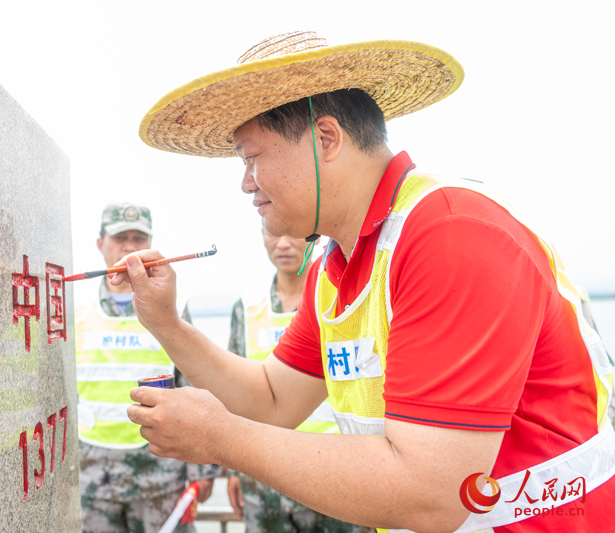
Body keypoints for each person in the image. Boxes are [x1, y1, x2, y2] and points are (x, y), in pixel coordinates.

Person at [114, 31, 615, 532]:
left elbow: (433, 495)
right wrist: (167, 323)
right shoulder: (335, 267)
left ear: (326, 139)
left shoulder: (451, 233)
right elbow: (272, 400)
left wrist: (221, 438)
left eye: (251, 157)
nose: (245, 182)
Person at [75, 203, 218, 533]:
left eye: (139, 238)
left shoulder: (173, 306)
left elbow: (196, 384)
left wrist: (204, 470)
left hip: (160, 475)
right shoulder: (76, 308)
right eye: (120, 237)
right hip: (94, 478)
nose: (129, 247)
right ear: (100, 244)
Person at [226, 229, 370, 533]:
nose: (283, 243)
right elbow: (233, 388)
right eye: (273, 233)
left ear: (313, 238)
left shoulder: (338, 295)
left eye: (293, 234)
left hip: (335, 472)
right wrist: (233, 470)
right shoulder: (247, 307)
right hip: (265, 474)